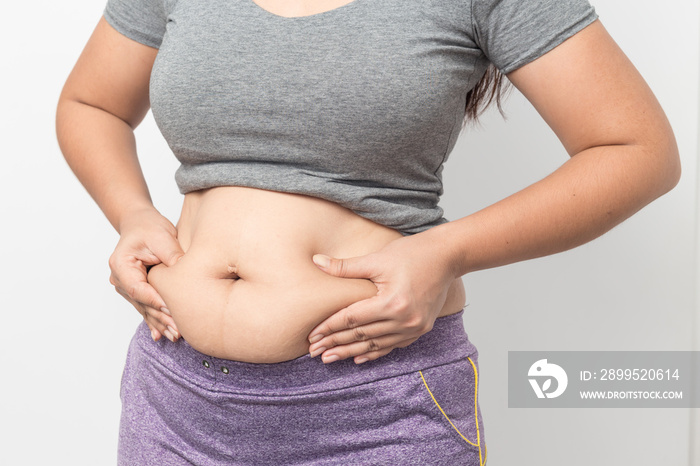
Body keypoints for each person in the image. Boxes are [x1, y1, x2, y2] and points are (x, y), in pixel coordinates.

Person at [55, 0, 680, 464]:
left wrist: (446, 250)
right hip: (173, 394)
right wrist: (132, 213)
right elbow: (92, 103)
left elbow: (637, 150)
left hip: (371, 404)